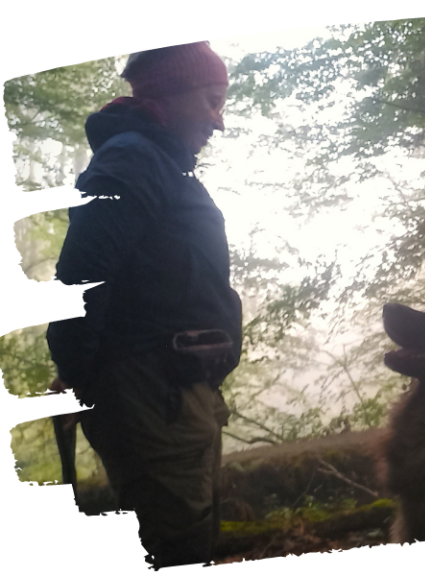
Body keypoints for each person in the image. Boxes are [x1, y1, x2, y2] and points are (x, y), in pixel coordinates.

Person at [46, 41, 242, 568]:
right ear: (170, 95)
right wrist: (78, 370)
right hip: (153, 394)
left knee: (190, 533)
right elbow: (82, 275)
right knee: (178, 543)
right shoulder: (133, 157)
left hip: (174, 389)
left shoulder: (154, 161)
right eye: (211, 100)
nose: (217, 122)